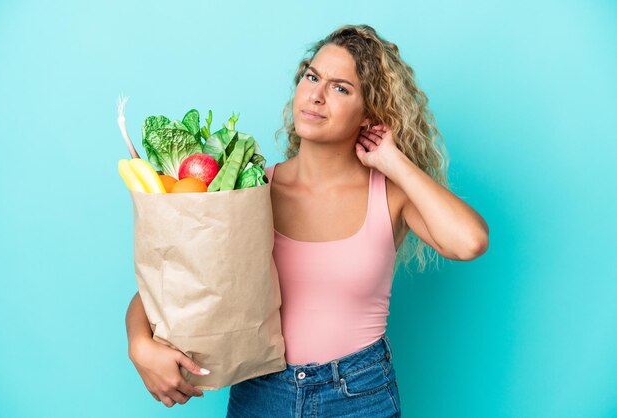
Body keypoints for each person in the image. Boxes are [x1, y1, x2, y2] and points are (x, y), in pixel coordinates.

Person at [126, 24, 489, 417]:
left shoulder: (390, 194)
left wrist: (393, 161)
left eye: (340, 88)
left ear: (370, 114)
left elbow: (469, 241)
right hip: (261, 393)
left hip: (359, 395)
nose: (315, 95)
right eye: (312, 77)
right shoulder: (250, 190)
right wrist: (139, 345)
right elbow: (170, 288)